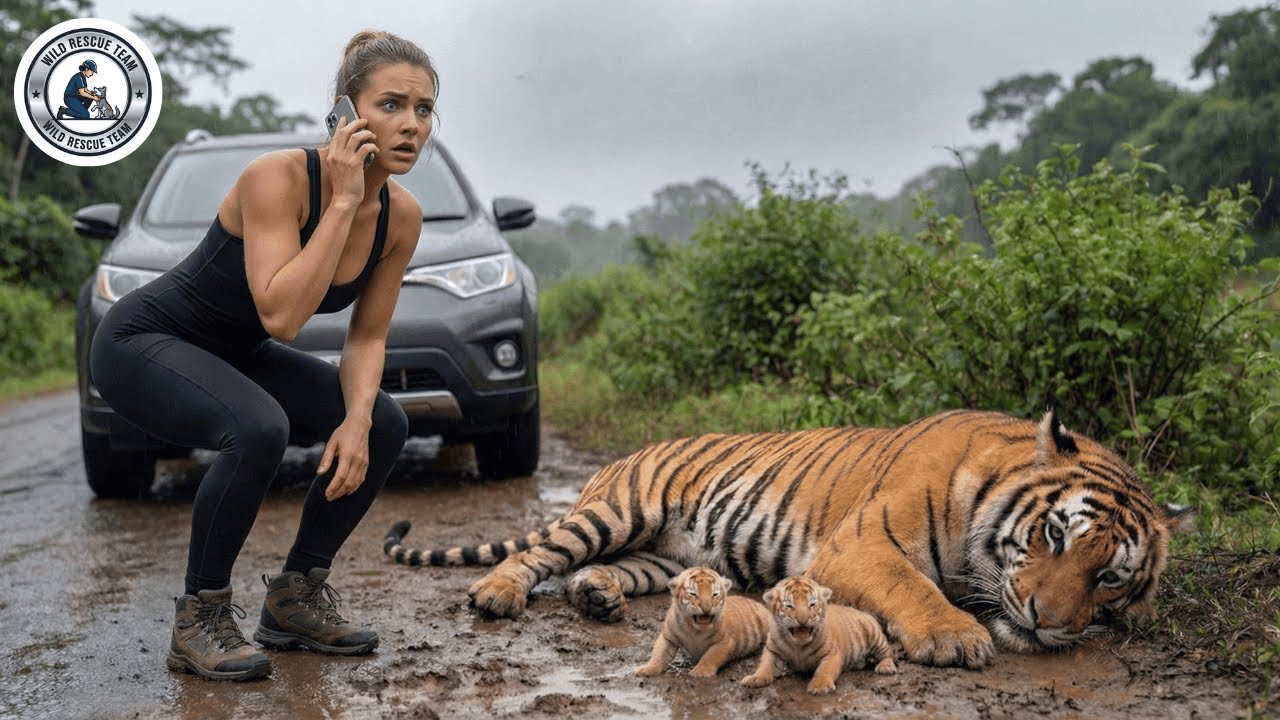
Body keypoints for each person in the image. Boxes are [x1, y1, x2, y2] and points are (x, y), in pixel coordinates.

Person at [89, 30, 438, 682]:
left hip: (233, 352)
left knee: (385, 420)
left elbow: (366, 337)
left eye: (424, 109)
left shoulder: (403, 217)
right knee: (257, 426)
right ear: (345, 113)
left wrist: (356, 420)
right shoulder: (275, 179)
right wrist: (342, 199)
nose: (411, 125)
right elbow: (283, 314)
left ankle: (294, 600)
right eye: (391, 104)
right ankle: (200, 617)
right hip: (144, 343)